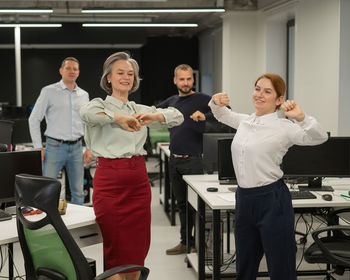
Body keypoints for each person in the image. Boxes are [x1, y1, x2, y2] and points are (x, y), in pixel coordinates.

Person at [209, 73, 328, 280]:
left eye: (267, 91)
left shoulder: (285, 127)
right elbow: (221, 114)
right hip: (244, 199)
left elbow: (319, 138)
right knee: (244, 266)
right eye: (257, 89)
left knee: (280, 266)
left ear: (279, 99)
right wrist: (216, 101)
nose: (259, 95)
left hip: (272, 200)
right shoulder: (245, 121)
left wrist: (302, 118)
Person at [80, 51, 183, 280]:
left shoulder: (139, 109)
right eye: (120, 73)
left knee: (137, 251)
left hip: (138, 182)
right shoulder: (98, 105)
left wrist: (154, 118)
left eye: (130, 74)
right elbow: (86, 114)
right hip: (110, 182)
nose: (126, 77)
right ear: (108, 77)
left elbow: (177, 116)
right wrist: (118, 118)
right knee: (115, 251)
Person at [157, 64, 213, 255]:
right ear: (175, 80)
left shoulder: (203, 99)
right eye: (182, 79)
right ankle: (185, 242)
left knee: (197, 205)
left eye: (189, 79)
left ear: (193, 80)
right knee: (181, 204)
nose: (186, 82)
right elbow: (154, 112)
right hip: (175, 160)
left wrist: (204, 115)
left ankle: (201, 243)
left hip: (194, 160)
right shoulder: (171, 101)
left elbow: (225, 112)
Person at [29, 57, 93, 205]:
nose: (72, 71)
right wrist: (38, 146)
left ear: (78, 72)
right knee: (47, 190)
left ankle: (77, 226)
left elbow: (88, 124)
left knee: (78, 191)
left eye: (75, 69)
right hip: (54, 147)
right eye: (68, 68)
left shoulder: (84, 95)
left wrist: (89, 147)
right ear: (61, 71)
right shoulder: (49, 91)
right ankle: (46, 223)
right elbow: (34, 119)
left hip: (77, 148)